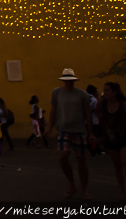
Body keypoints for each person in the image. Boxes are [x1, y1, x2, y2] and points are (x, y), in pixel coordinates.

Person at [45, 67, 93, 200]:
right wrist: (50, 127)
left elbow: (88, 113)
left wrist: (91, 132)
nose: (68, 83)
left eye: (70, 80)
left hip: (79, 130)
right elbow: (53, 110)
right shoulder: (57, 93)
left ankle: (84, 189)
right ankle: (71, 183)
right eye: (66, 80)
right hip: (63, 129)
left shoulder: (81, 94)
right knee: (62, 156)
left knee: (81, 161)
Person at [98, 82, 126, 200]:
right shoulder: (102, 104)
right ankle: (123, 191)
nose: (105, 92)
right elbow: (97, 112)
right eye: (104, 90)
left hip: (124, 136)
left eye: (108, 90)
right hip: (110, 137)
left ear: (114, 92)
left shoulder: (123, 105)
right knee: (117, 165)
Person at [86, 85, 102, 156]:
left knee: (89, 136)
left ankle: (93, 150)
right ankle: (95, 150)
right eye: (97, 91)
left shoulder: (85, 98)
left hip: (86, 121)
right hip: (94, 121)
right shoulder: (94, 100)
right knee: (96, 136)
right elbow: (97, 111)